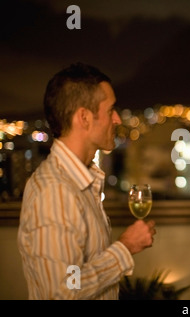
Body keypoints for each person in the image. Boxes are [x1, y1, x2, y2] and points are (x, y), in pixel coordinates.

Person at [17, 62, 156, 300]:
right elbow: (61, 290)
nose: (117, 119)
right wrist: (124, 248)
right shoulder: (55, 191)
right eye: (110, 109)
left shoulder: (78, 182)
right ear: (84, 117)